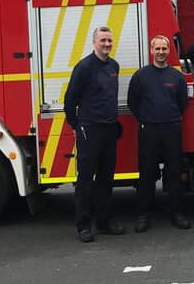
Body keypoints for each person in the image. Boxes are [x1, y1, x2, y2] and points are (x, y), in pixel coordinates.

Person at [63, 26, 126, 242]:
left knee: (106, 179)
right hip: (90, 129)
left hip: (109, 129)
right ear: (94, 43)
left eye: (109, 40)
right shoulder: (84, 67)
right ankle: (83, 225)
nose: (107, 44)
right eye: (103, 41)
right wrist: (78, 126)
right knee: (86, 180)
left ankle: (103, 221)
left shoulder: (114, 66)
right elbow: (70, 102)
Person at [127, 35, 190, 232]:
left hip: (171, 128)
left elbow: (182, 103)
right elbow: (133, 103)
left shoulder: (176, 76)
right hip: (149, 130)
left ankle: (176, 213)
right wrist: (147, 118)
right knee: (146, 174)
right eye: (158, 49)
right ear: (151, 51)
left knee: (174, 174)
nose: (161, 52)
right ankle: (143, 215)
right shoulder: (140, 76)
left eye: (164, 49)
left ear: (169, 51)